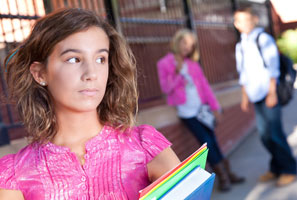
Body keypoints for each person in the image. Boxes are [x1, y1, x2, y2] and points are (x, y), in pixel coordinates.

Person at [0, 8, 181, 199]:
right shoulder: (15, 175)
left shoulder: (145, 146)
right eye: (73, 59)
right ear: (40, 74)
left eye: (100, 59)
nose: (92, 74)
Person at [157, 29, 245, 192]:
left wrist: (215, 107)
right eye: (184, 43)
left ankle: (228, 172)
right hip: (186, 112)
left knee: (213, 139)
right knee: (206, 141)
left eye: (191, 46)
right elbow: (166, 88)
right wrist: (178, 73)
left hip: (201, 109)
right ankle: (223, 176)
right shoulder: (164, 63)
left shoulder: (193, 64)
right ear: (177, 42)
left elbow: (204, 87)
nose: (187, 48)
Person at [234, 6, 297, 186]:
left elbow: (273, 69)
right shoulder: (241, 45)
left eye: (246, 19)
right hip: (254, 95)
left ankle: (288, 169)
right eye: (239, 20)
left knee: (275, 134)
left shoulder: (263, 39)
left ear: (254, 20)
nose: (242, 24)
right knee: (265, 135)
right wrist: (245, 96)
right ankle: (276, 167)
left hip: (268, 94)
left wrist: (272, 93)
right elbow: (243, 74)